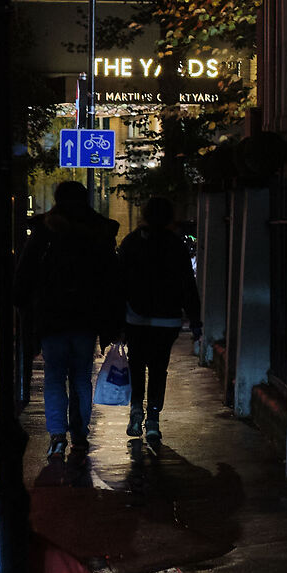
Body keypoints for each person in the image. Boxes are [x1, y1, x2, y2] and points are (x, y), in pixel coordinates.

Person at [12, 178, 119, 460]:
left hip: (51, 317)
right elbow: (111, 280)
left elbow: (24, 276)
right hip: (86, 318)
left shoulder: (44, 232)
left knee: (55, 377)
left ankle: (57, 436)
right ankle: (80, 435)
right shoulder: (99, 232)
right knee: (82, 377)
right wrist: (113, 322)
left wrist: (24, 310)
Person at [116, 194, 201, 456]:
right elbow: (187, 284)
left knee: (137, 364)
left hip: (136, 316)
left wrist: (115, 320)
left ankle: (136, 411)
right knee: (159, 367)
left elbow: (118, 283)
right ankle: (153, 418)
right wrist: (195, 320)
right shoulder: (175, 245)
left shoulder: (131, 242)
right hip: (167, 318)